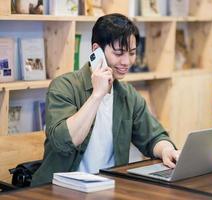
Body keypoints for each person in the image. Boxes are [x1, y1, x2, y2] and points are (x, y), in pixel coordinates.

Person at [31, 13, 179, 186]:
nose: (127, 61)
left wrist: (166, 149)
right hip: (59, 189)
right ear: (96, 50)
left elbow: (153, 137)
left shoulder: (127, 95)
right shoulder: (64, 86)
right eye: (118, 53)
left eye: (131, 53)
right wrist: (97, 95)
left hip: (110, 187)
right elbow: (63, 142)